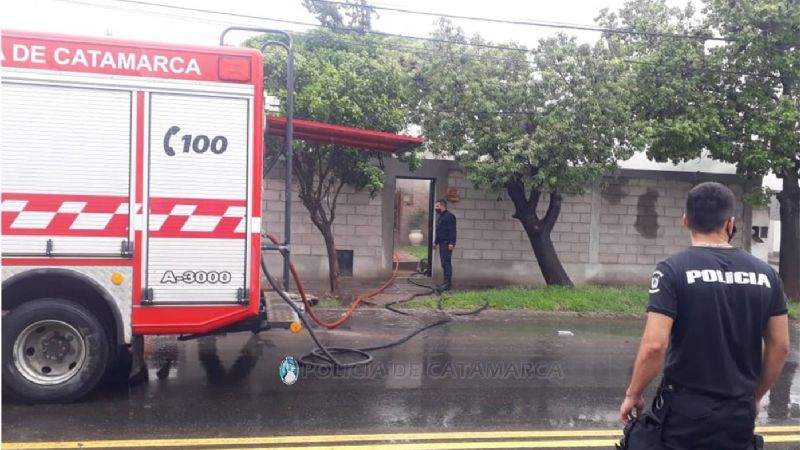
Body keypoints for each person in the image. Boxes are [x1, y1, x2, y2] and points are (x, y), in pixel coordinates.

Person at [619, 182, 790, 449]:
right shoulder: (767, 275)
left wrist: (634, 393)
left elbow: (655, 345)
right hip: (738, 412)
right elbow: (780, 346)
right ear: (730, 224)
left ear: (686, 220)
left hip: (686, 412)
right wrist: (755, 396)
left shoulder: (671, 270)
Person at [433, 198, 457, 291]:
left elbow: (452, 231)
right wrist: (436, 242)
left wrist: (451, 243)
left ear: (443, 206)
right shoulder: (441, 216)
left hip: (447, 244)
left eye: (437, 206)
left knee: (446, 264)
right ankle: (444, 282)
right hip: (442, 243)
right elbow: (440, 231)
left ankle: (447, 285)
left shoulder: (449, 216)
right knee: (444, 264)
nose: (436, 208)